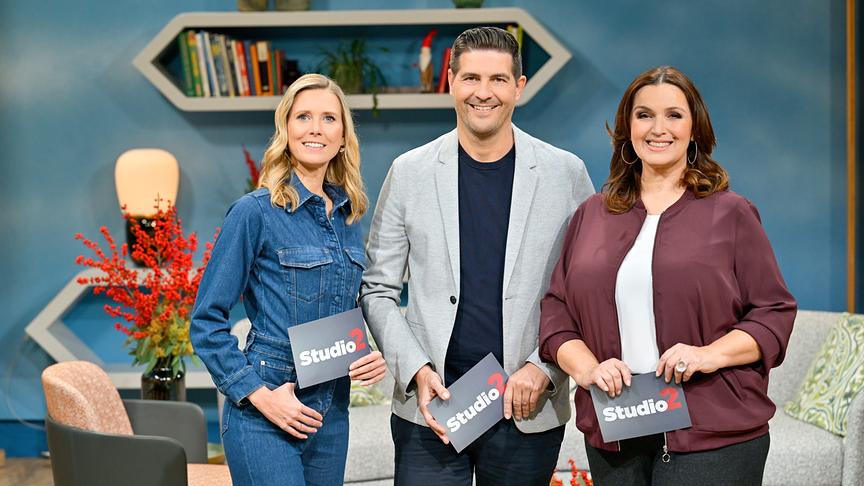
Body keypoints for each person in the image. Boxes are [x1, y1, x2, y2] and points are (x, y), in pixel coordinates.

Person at [538, 66, 797, 485]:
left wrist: (707, 354)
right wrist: (585, 368)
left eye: (674, 115)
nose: (659, 128)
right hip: (616, 430)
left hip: (714, 435)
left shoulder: (731, 213)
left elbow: (773, 313)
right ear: (627, 128)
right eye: (644, 115)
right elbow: (556, 309)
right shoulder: (592, 213)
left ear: (695, 129)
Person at [359, 27, 594, 485]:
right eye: (470, 79)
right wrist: (417, 369)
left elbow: (587, 291)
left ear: (519, 87)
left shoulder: (565, 173)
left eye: (498, 80)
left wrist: (543, 367)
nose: (483, 93)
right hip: (432, 405)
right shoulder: (409, 172)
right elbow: (378, 288)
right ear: (450, 81)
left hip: (526, 404)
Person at [190, 73, 387, 486]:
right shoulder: (253, 212)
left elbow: (345, 307)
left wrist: (369, 352)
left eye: (329, 118)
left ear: (343, 136)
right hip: (266, 409)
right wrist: (261, 397)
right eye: (304, 117)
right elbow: (206, 322)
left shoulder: (349, 218)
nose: (316, 128)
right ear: (286, 129)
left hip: (332, 411)